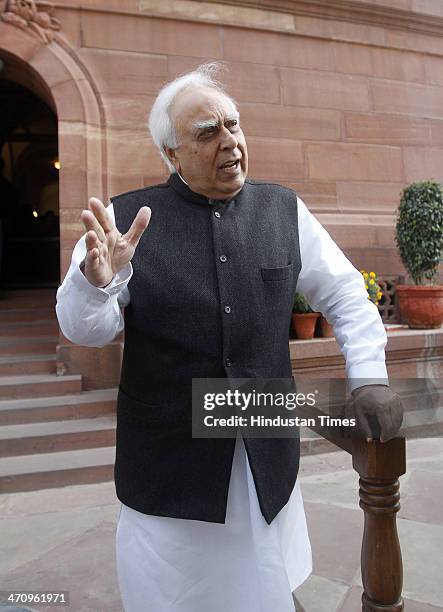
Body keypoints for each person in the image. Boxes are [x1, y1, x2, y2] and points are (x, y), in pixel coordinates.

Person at [55, 63, 403, 611]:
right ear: (171, 154)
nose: (230, 141)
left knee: (266, 585)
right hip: (168, 466)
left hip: (265, 453)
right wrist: (96, 285)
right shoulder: (124, 223)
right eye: (207, 132)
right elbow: (85, 330)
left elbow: (346, 296)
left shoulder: (283, 209)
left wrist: (370, 380)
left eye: (233, 125)